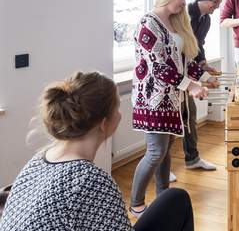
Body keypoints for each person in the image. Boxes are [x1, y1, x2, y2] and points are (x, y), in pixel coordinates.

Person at [0, 71, 194, 231]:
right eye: (117, 108)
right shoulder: (90, 181)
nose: (120, 114)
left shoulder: (40, 159)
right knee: (176, 199)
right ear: (104, 123)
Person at [130, 0, 208, 217]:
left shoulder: (174, 23)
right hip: (152, 98)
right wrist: (190, 87)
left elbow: (182, 62)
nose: (185, 4)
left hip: (172, 99)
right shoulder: (148, 23)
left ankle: (162, 200)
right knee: (155, 152)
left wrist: (204, 78)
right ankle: (136, 204)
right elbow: (158, 67)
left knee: (164, 153)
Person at [168, 0, 225, 182]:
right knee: (172, 122)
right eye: (215, 2)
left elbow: (197, 45)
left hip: (188, 73)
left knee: (189, 116)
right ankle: (162, 169)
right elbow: (178, 49)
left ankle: (192, 159)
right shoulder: (183, 15)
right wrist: (198, 75)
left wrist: (203, 64)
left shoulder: (206, 20)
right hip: (174, 75)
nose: (216, 7)